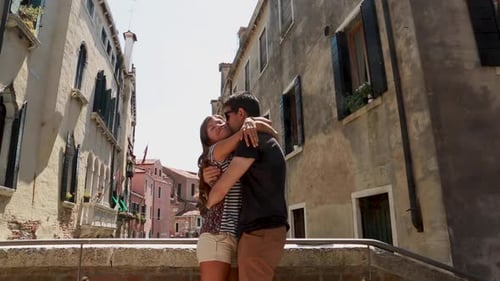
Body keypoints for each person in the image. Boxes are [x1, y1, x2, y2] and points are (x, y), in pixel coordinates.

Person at [204, 92, 289, 281]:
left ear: (240, 113)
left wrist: (207, 204)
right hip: (267, 230)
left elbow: (224, 186)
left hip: (260, 232)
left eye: (227, 116)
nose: (225, 122)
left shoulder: (250, 140)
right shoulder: (265, 138)